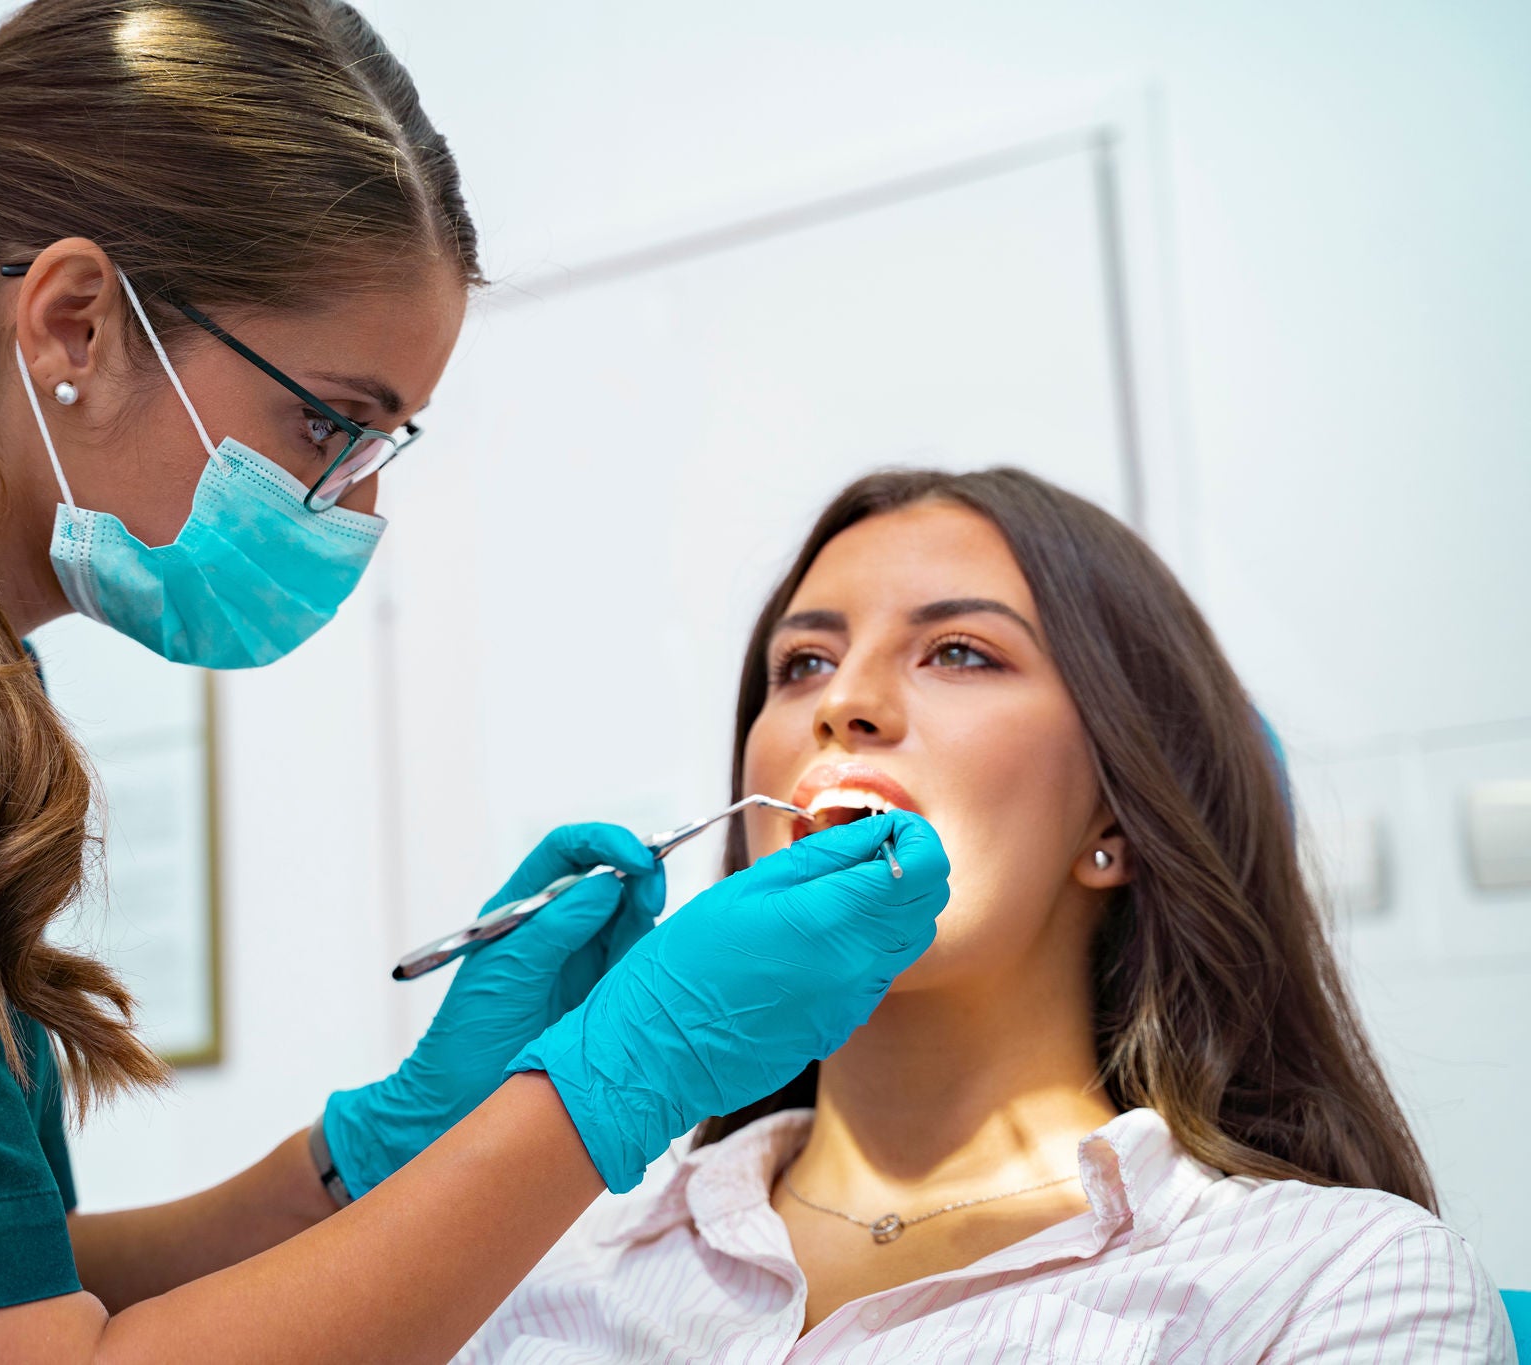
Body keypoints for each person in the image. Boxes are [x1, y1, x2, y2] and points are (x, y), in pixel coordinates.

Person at [0, 4, 954, 1362]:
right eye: (330, 425)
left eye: (384, 448)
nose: (353, 509)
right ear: (74, 324)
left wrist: (364, 1161)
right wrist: (606, 1088)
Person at [456, 468, 1514, 1363]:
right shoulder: (528, 1271)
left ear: (1117, 822)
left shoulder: (1332, 1284)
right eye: (802, 664)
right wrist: (419, 1163)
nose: (841, 703)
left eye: (959, 651)